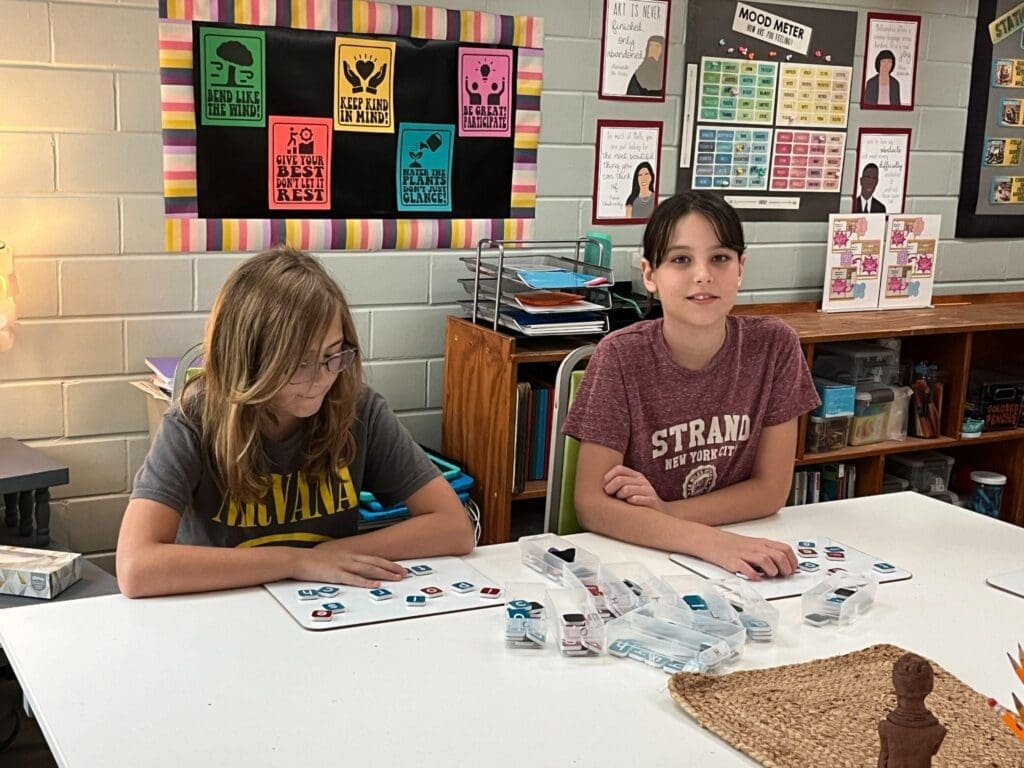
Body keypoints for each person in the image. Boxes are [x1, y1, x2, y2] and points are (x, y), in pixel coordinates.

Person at [116, 247, 475, 598]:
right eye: (299, 362)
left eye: (332, 355)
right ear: (249, 360)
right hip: (225, 612)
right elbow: (135, 567)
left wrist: (329, 556)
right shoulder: (195, 419)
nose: (320, 378)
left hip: (324, 604)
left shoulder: (357, 408)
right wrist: (295, 562)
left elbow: (454, 528)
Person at [562, 191, 820, 580]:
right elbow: (592, 504)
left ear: (741, 267)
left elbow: (771, 490)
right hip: (642, 560)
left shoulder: (775, 345)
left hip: (734, 544)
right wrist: (710, 542)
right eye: (681, 259)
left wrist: (670, 512)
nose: (703, 274)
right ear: (650, 275)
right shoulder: (620, 356)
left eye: (720, 258)